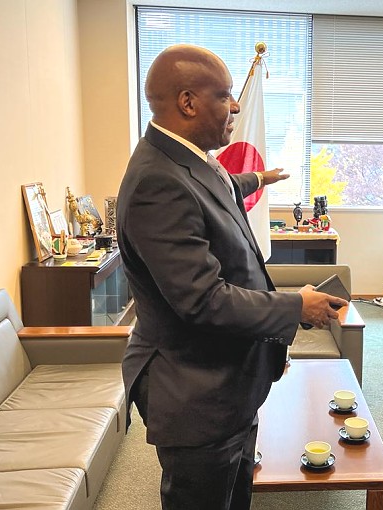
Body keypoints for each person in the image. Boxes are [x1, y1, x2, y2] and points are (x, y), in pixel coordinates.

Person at [116, 44, 347, 510]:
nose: (236, 106)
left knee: (236, 494)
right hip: (195, 393)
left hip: (226, 384)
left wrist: (259, 179)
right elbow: (203, 299)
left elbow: (218, 189)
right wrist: (295, 306)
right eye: (224, 95)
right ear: (187, 102)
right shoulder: (156, 183)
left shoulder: (190, 159)